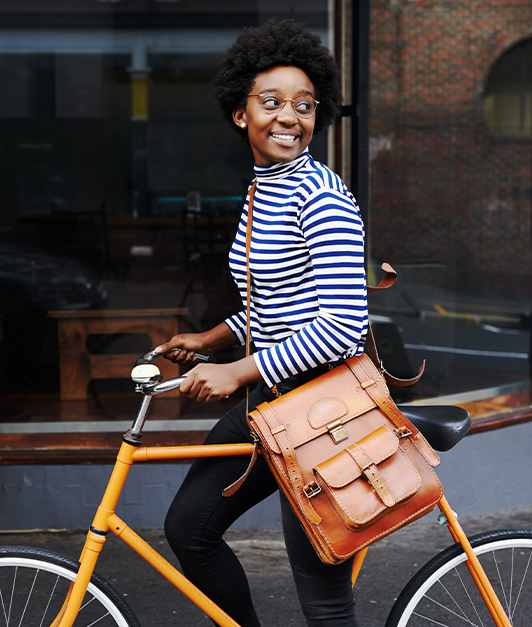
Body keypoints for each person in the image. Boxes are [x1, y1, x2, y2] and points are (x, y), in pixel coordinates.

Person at [158, 19, 368, 627]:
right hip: (269, 399)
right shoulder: (264, 190)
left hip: (321, 415)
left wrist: (234, 373)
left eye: (304, 106)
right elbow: (278, 305)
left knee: (325, 603)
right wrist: (212, 338)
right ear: (239, 113)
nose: (288, 118)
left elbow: (340, 326)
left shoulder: (319, 194)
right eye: (270, 102)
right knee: (189, 529)